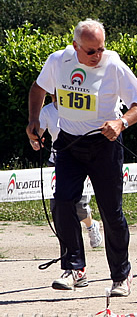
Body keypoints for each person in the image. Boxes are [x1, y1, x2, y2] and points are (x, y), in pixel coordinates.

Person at [26, 19, 137, 297]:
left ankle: (121, 274)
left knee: (111, 212)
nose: (97, 56)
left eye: (101, 49)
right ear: (75, 47)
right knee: (63, 203)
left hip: (104, 145)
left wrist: (121, 124)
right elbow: (38, 89)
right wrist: (34, 120)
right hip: (69, 143)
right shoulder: (58, 61)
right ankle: (74, 268)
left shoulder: (114, 65)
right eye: (91, 51)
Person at [31, 94, 103, 249]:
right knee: (58, 207)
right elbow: (39, 131)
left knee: (80, 206)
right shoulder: (47, 111)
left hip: (80, 161)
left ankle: (91, 226)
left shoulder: (78, 108)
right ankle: (69, 248)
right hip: (56, 162)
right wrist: (35, 141)